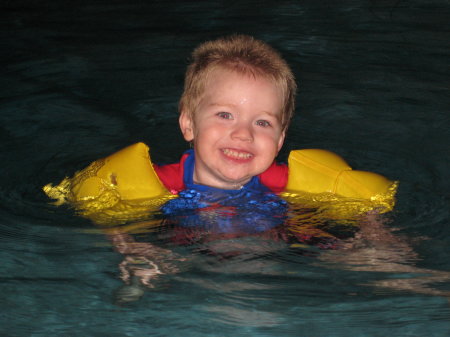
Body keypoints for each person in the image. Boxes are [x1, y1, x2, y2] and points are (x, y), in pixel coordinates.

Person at [153, 34, 296, 195]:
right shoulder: (155, 184)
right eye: (225, 115)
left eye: (262, 122)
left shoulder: (291, 185)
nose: (243, 134)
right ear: (189, 124)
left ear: (279, 141)